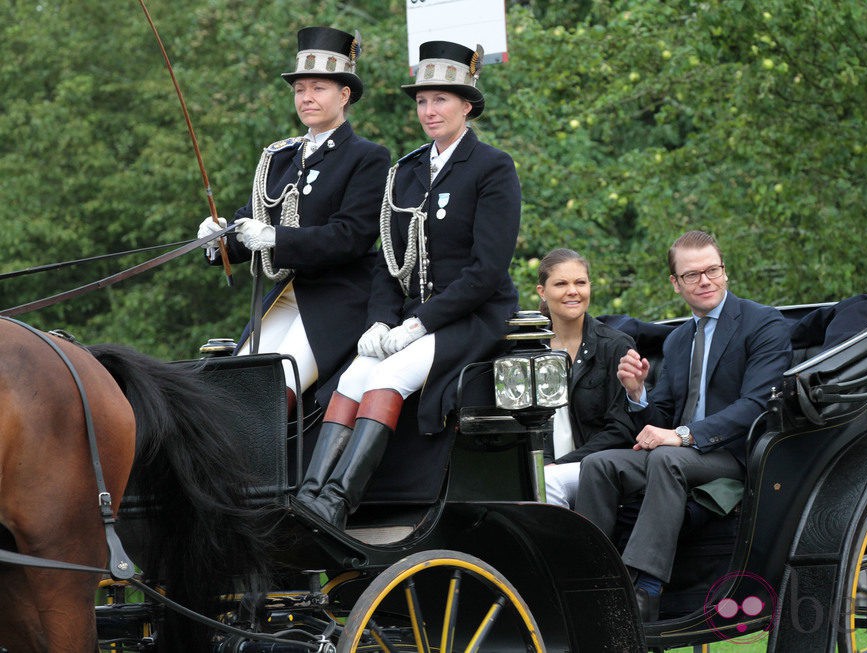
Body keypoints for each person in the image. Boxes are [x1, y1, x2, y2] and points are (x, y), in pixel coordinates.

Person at [296, 40, 522, 529]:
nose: (429, 110)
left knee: (385, 377)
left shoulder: (492, 168)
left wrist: (420, 323)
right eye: (422, 100)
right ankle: (310, 498)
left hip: (470, 315)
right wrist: (380, 321)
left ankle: (337, 502)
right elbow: (386, 260)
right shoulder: (407, 171)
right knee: (355, 376)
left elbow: (486, 271)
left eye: (441, 99)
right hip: (409, 317)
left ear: (467, 105)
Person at [575, 230, 792, 622]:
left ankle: (645, 590)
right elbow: (660, 420)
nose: (705, 280)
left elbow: (757, 405)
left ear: (725, 272)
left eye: (713, 270)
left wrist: (681, 436)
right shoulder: (677, 341)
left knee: (667, 461)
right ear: (676, 283)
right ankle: (591, 579)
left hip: (737, 455)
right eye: (692, 275)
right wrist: (638, 392)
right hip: (684, 454)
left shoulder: (763, 324)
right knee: (599, 465)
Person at [196, 26, 390, 414]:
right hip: (289, 293)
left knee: (275, 389)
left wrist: (275, 238)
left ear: (344, 95)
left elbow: (350, 237)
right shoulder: (280, 157)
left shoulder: (367, 157)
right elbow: (250, 222)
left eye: (318, 88)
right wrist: (218, 240)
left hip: (340, 296)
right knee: (233, 385)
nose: (307, 98)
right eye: (300, 90)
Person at [536, 248, 635, 509]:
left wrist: (560, 463)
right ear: (542, 292)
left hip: (594, 464)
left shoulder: (615, 345)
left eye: (580, 282)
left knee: (544, 482)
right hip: (541, 464)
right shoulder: (529, 348)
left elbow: (622, 429)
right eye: (561, 283)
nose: (573, 291)